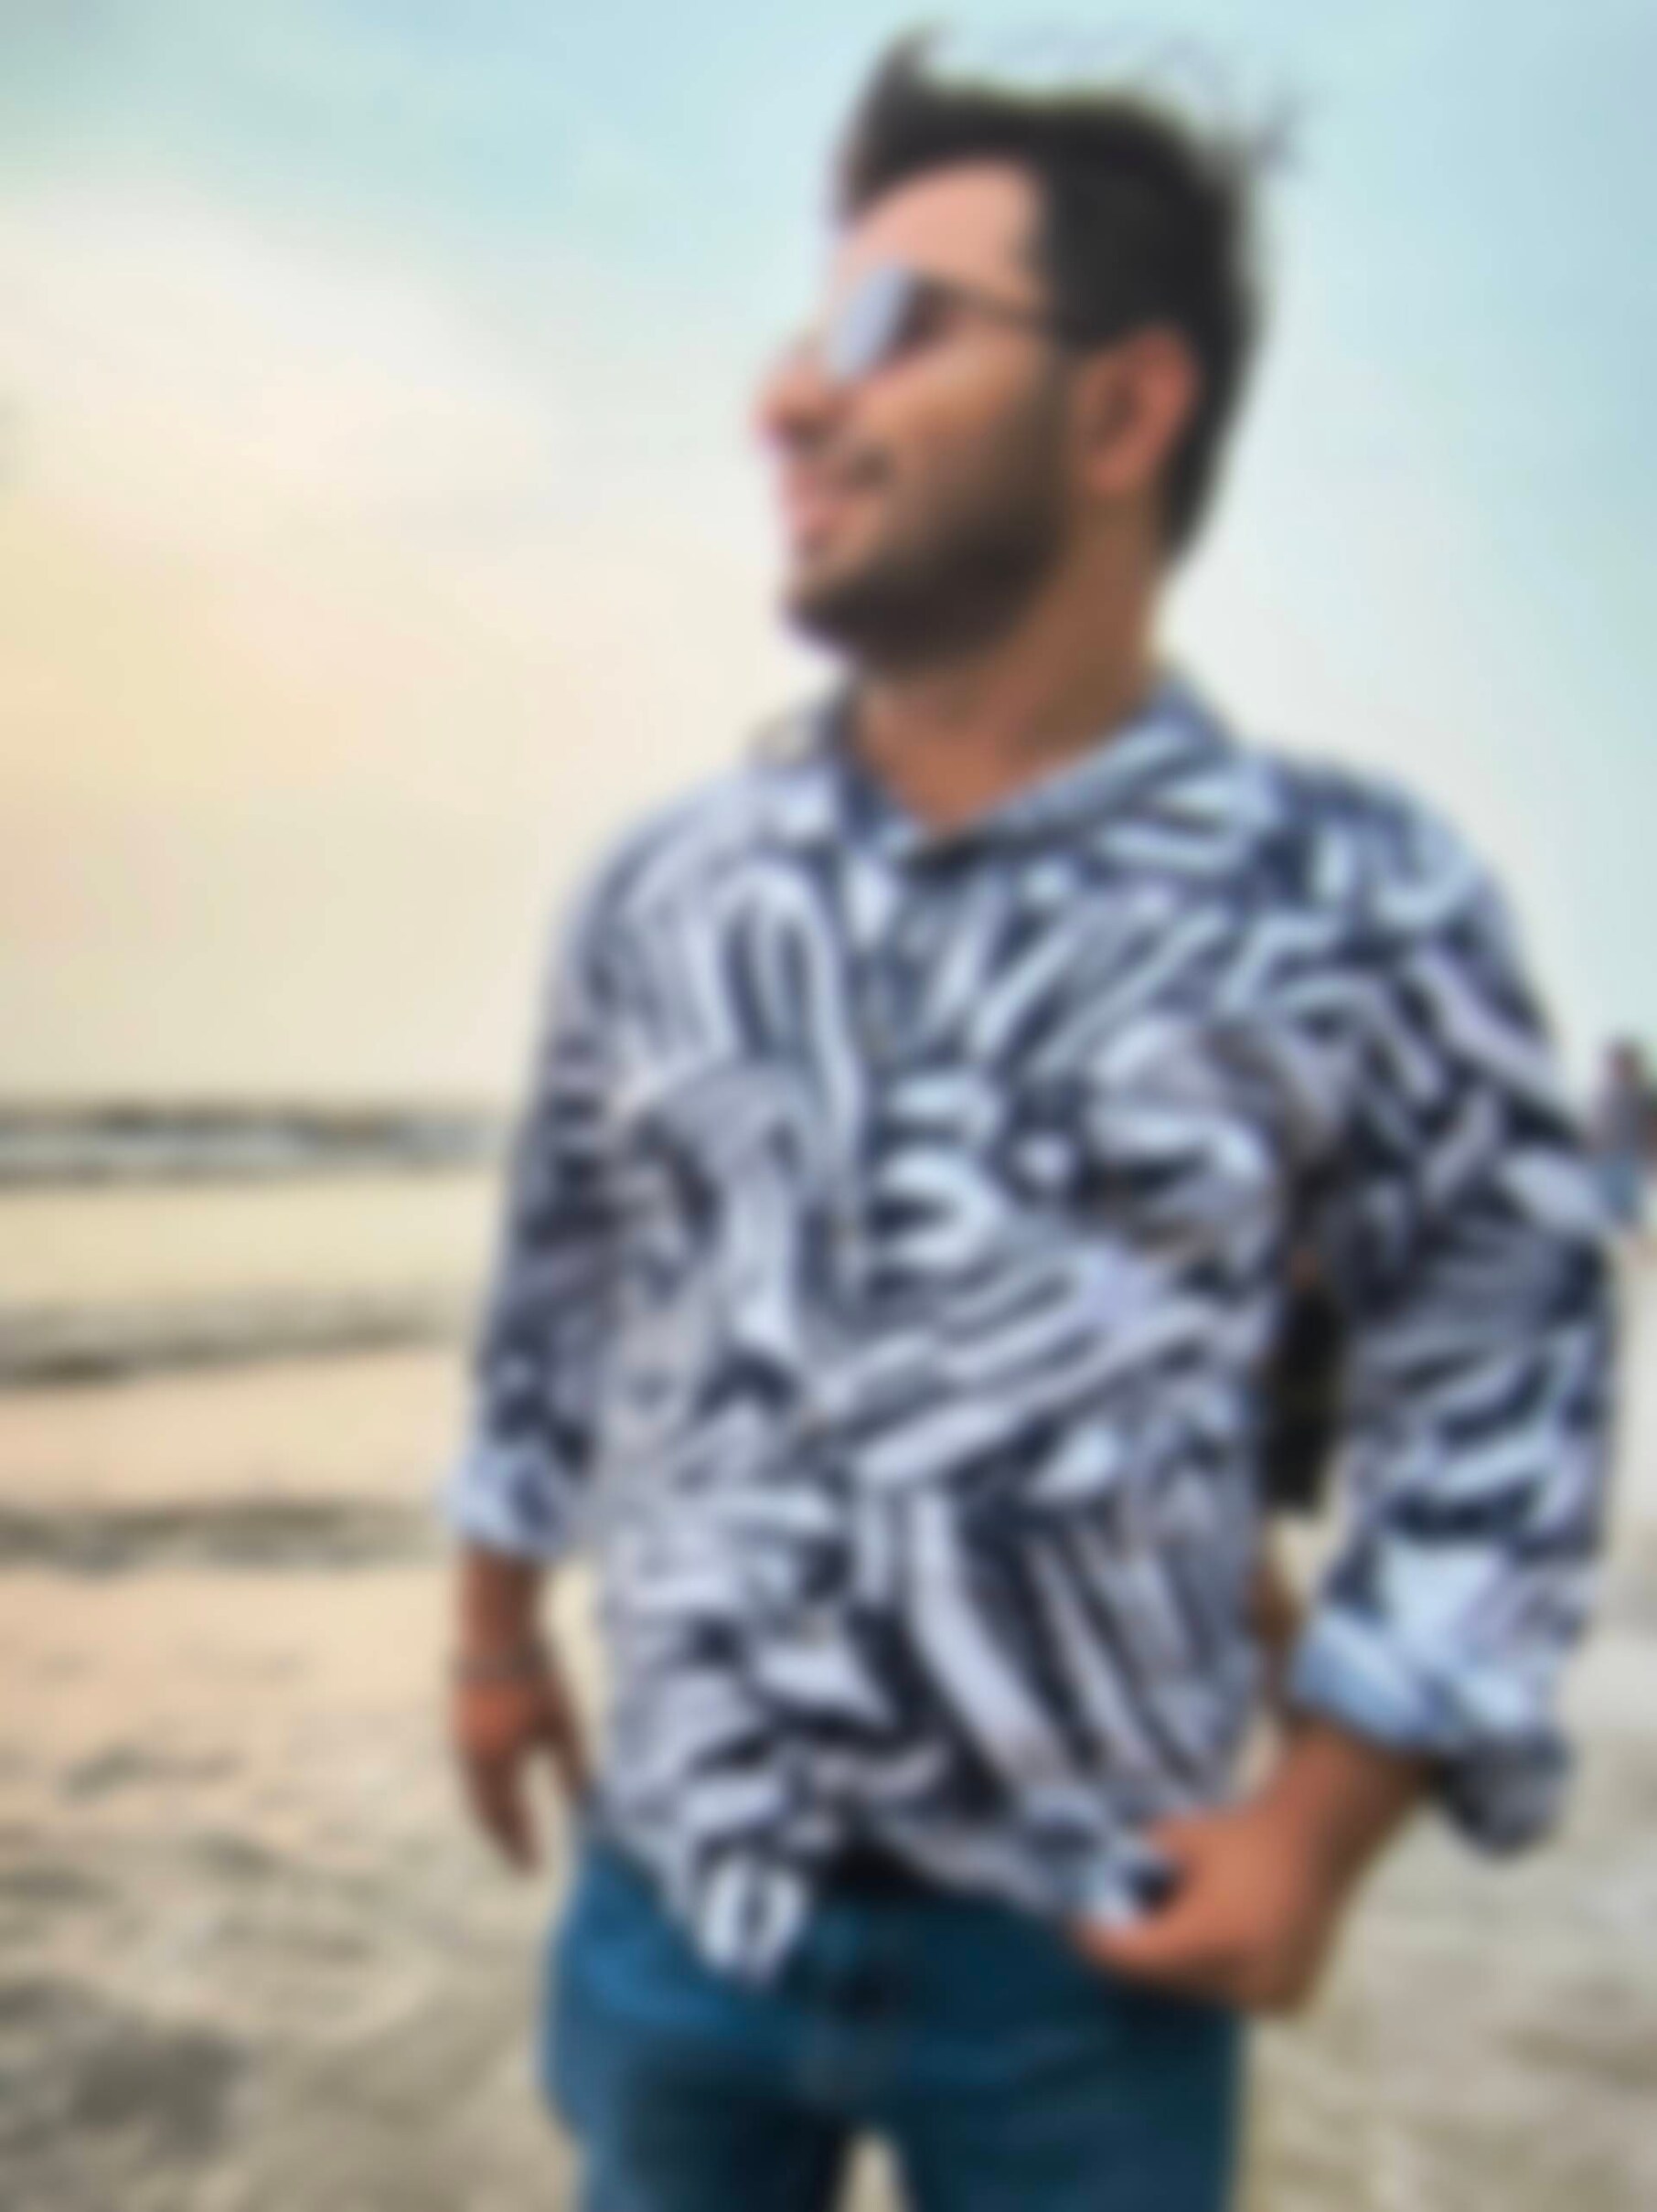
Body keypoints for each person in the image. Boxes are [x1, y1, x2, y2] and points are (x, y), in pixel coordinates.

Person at [440, 30, 1614, 2212]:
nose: (788, 397)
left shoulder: (1352, 894)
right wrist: (496, 1642)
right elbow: (556, 1291)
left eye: (891, 325)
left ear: (1123, 409)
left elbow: (1501, 1361)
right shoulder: (664, 891)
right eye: (802, 333)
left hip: (1085, 1955)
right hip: (678, 1894)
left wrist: (1321, 1819)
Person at [1588, 1037, 1656, 1244]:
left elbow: (1651, 1126)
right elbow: (1596, 1126)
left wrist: (1651, 1157)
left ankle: (1638, 1245)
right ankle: (1631, 1245)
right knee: (1611, 1209)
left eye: (1623, 1063)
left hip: (1629, 1156)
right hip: (1604, 1157)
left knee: (1628, 1209)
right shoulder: (1605, 1094)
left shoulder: (1643, 1094)